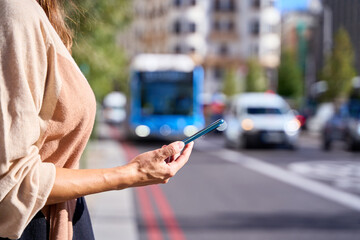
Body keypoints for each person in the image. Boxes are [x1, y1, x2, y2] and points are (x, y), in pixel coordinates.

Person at [0, 0, 194, 239]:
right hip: (34, 227)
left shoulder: (32, 12)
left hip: (60, 219)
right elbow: (12, 181)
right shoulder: (14, 11)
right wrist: (134, 172)